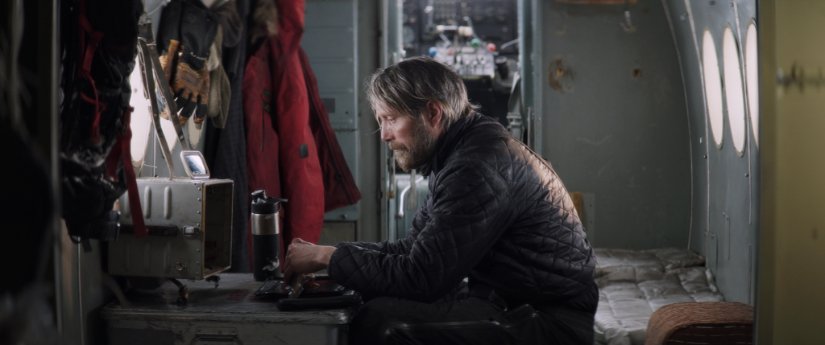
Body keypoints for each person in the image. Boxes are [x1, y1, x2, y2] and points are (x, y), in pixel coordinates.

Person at [283, 56, 597, 344]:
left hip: (549, 321)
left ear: (433, 113)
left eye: (390, 119)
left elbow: (421, 277)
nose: (384, 135)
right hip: (510, 300)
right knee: (370, 300)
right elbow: (412, 251)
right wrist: (332, 253)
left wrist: (327, 258)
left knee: (381, 322)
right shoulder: (460, 153)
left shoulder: (476, 166)